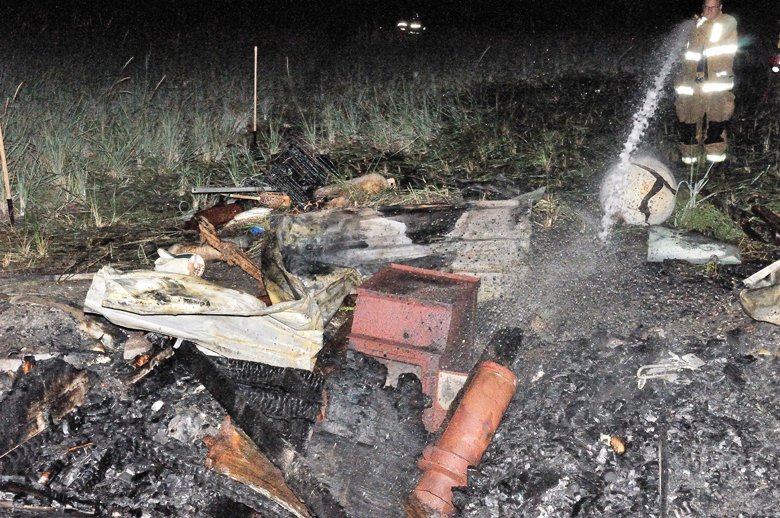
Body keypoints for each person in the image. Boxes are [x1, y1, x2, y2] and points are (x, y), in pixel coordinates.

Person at [674, 0, 738, 166]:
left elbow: (713, 35)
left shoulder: (728, 22)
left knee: (715, 128)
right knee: (688, 126)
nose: (708, 11)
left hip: (717, 87)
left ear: (720, 8)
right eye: (706, 7)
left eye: (712, 7)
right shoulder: (695, 27)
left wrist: (700, 22)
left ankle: (714, 166)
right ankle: (689, 163)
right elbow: (684, 54)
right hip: (691, 87)